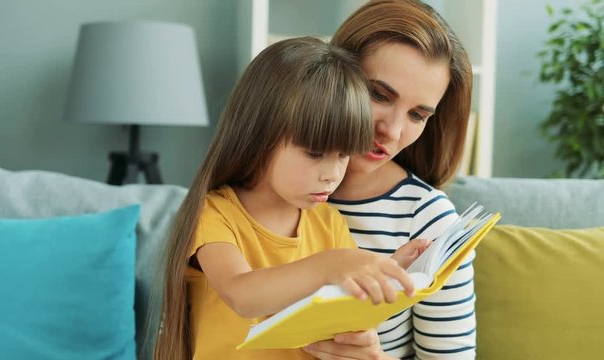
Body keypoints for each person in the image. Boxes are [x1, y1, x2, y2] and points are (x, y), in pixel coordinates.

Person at [152, 36, 430, 360]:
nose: (331, 174)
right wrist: (331, 265)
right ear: (260, 136)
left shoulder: (328, 223)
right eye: (314, 153)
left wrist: (383, 275)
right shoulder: (216, 214)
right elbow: (241, 294)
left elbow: (338, 311)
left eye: (343, 155)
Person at [302, 1, 475, 359]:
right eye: (379, 94)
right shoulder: (264, 189)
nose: (392, 131)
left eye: (416, 114)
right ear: (332, 72)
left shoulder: (430, 221)